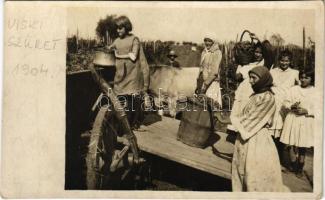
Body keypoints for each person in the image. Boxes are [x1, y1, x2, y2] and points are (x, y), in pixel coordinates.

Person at [231, 66, 289, 192]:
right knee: (240, 169)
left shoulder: (267, 98)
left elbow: (251, 120)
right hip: (246, 137)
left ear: (263, 80)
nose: (250, 81)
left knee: (254, 174)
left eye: (254, 78)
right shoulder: (255, 95)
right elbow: (245, 115)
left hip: (257, 139)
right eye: (250, 77)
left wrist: (231, 120)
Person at [107, 15, 150, 130]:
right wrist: (109, 48)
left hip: (133, 74)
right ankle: (123, 123)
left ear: (126, 27)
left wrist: (118, 55)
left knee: (132, 99)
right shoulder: (117, 40)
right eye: (117, 28)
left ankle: (134, 123)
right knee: (121, 98)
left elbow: (133, 56)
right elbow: (110, 48)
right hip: (121, 73)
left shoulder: (134, 39)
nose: (118, 30)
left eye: (120, 28)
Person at [280, 70, 314, 177]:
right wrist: (291, 106)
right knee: (290, 143)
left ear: (312, 79)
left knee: (302, 146)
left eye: (306, 78)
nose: (303, 80)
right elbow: (285, 102)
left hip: (305, 120)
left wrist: (307, 111)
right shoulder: (294, 89)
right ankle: (293, 164)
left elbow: (320, 108)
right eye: (302, 77)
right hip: (293, 119)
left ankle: (300, 167)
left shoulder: (316, 91)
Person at [269, 50, 299, 164]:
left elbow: (300, 87)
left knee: (284, 131)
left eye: (286, 61)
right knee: (272, 130)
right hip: (274, 102)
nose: (284, 63)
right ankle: (272, 158)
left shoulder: (295, 73)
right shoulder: (272, 71)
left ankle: (281, 158)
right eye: (282, 60)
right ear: (279, 60)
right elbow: (267, 84)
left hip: (286, 104)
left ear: (290, 61)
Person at [196, 33, 222, 108]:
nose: (207, 43)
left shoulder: (217, 52)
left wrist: (206, 83)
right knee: (201, 104)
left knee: (210, 104)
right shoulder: (204, 52)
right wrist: (199, 82)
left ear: (213, 42)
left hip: (211, 82)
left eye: (209, 41)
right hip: (203, 82)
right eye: (205, 40)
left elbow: (215, 71)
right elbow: (201, 68)